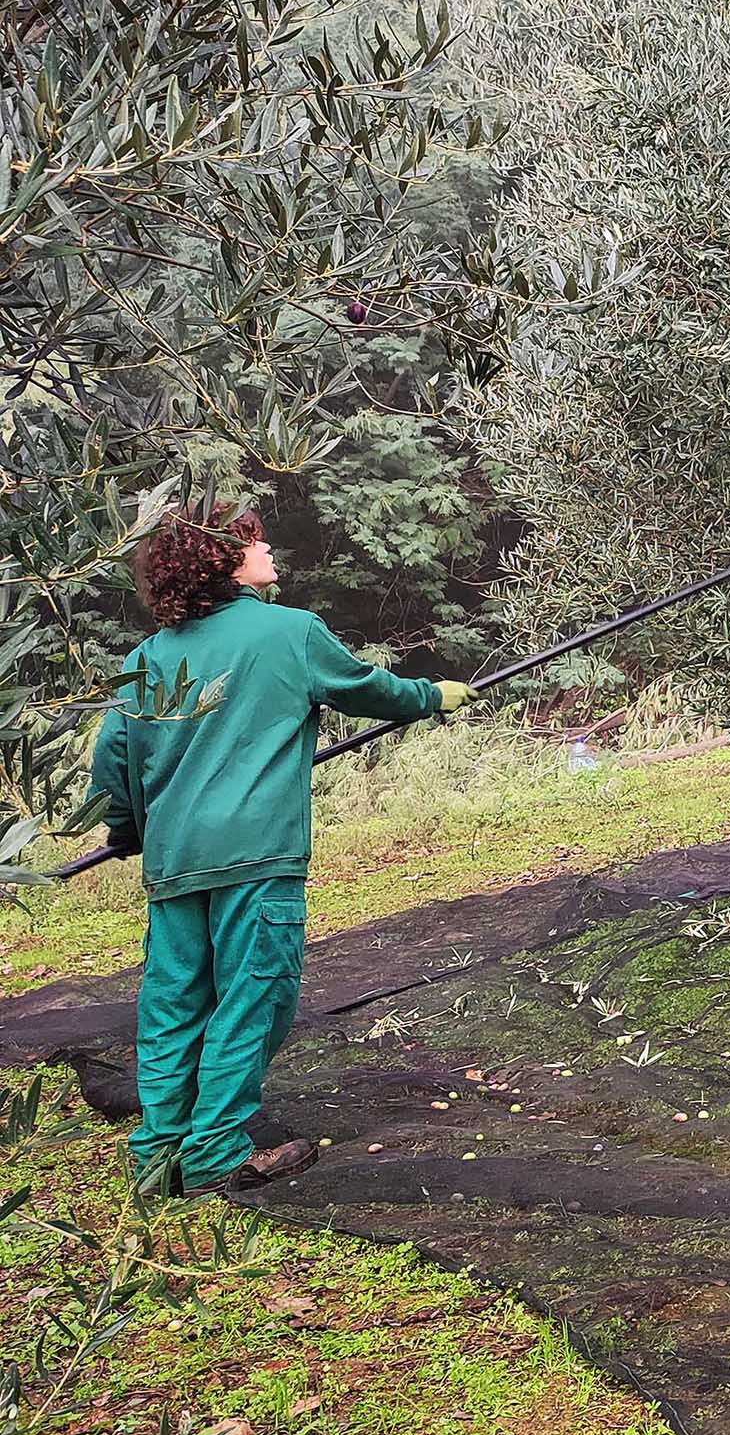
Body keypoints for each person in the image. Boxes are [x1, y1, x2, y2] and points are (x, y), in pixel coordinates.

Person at [87, 506, 473, 1198]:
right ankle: (212, 1152)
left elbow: (114, 758)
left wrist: (126, 829)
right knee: (252, 999)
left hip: (174, 866)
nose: (266, 546)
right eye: (254, 539)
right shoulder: (289, 631)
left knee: (173, 1002)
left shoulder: (145, 659)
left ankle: (156, 1152)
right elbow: (366, 689)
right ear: (224, 559)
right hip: (257, 861)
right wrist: (431, 695)